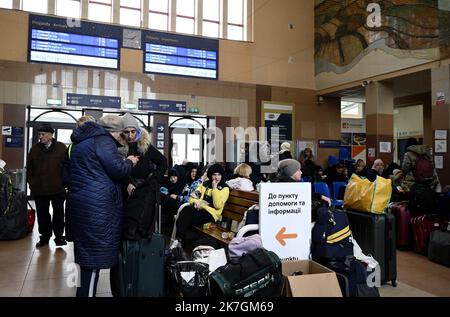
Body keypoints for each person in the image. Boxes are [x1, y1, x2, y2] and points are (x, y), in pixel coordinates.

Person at [67, 115, 139, 297]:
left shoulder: (82, 142)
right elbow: (118, 170)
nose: (124, 137)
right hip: (95, 209)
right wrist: (130, 161)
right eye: (122, 133)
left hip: (83, 205)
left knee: (85, 260)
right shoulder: (103, 141)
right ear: (114, 132)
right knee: (91, 264)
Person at [118, 113, 167, 240]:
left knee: (141, 224)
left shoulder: (145, 147)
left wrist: (155, 177)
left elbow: (163, 161)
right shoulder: (118, 148)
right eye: (127, 132)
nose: (130, 136)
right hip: (125, 190)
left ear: (137, 131)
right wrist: (127, 184)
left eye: (133, 132)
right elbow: (117, 170)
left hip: (144, 190)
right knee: (125, 226)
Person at [170, 163, 230, 249]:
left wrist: (214, 189)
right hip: (198, 209)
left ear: (222, 175)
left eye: (219, 174)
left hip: (211, 214)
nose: (216, 177)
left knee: (183, 218)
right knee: (185, 210)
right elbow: (192, 197)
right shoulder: (204, 184)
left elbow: (217, 205)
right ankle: (178, 241)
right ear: (210, 175)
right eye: (214, 174)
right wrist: (196, 203)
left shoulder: (225, 188)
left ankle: (178, 244)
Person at [27, 123, 67, 248]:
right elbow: (29, 168)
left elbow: (66, 167)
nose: (40, 137)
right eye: (39, 134)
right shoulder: (35, 149)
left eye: (43, 134)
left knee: (59, 214)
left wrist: (65, 183)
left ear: (51, 135)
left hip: (58, 188)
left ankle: (59, 237)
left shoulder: (61, 148)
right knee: (43, 214)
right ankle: (44, 237)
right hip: (40, 189)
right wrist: (32, 183)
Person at [62, 115, 96, 242]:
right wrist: (67, 182)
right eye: (79, 127)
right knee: (73, 218)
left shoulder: (99, 144)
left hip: (92, 190)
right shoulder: (72, 146)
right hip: (74, 188)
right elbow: (66, 165)